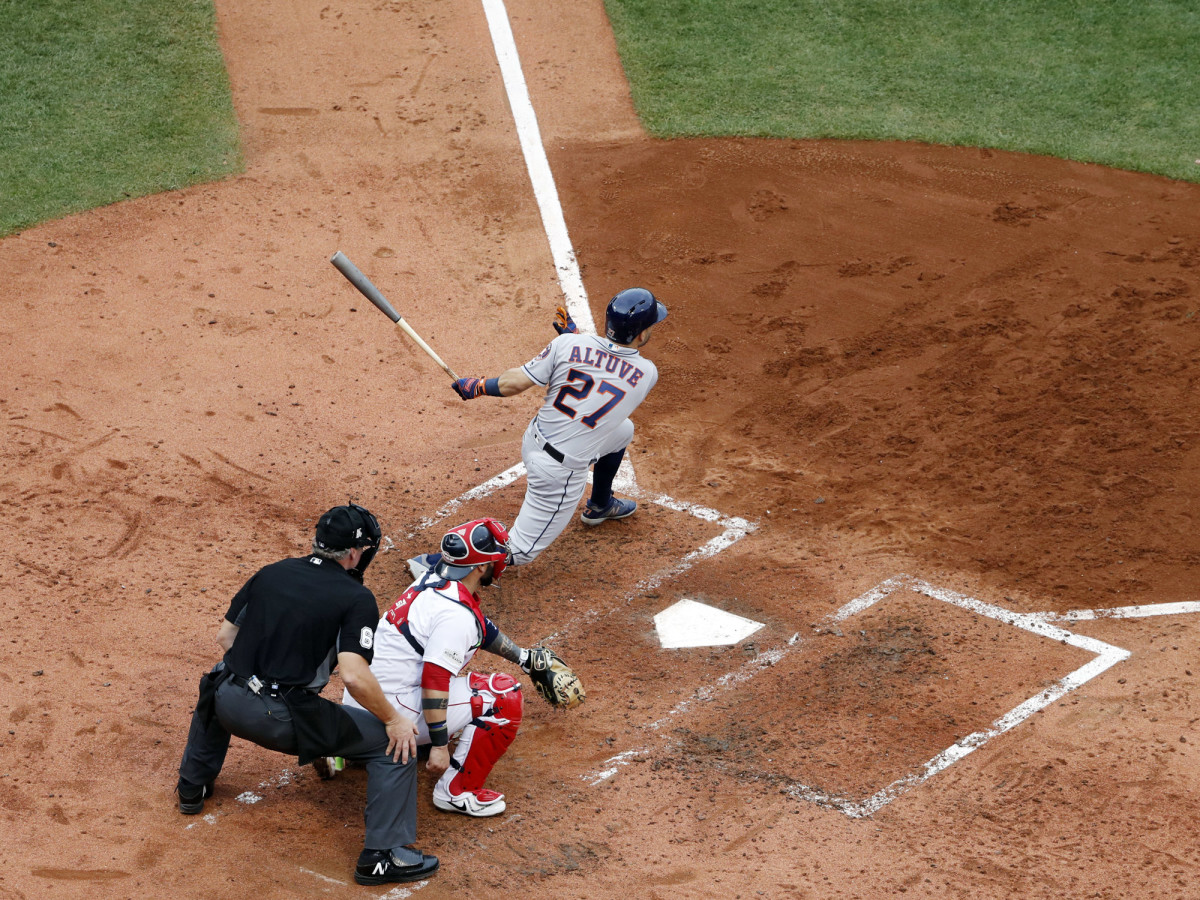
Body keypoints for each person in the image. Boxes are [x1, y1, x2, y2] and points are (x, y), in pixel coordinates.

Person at [175, 504, 439, 887]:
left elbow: (226, 638)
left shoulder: (272, 572)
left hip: (228, 702)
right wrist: (394, 720)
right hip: (283, 720)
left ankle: (191, 786)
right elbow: (353, 675)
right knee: (394, 744)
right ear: (355, 552)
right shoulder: (355, 598)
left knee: (218, 678)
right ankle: (382, 857)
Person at [442, 288, 668, 569]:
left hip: (533, 441)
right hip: (558, 475)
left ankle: (600, 505)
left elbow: (512, 384)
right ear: (641, 334)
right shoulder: (647, 373)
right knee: (519, 553)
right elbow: (609, 369)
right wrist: (575, 337)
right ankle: (442, 564)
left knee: (623, 430)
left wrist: (478, 386)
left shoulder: (567, 345)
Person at [342, 517, 533, 817]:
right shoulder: (455, 615)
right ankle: (457, 791)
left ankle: (350, 751)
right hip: (393, 718)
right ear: (481, 567)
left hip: (358, 704)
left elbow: (481, 626)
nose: (500, 562)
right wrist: (441, 746)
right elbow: (434, 680)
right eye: (495, 557)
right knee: (502, 694)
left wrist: (526, 659)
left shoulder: (432, 579)